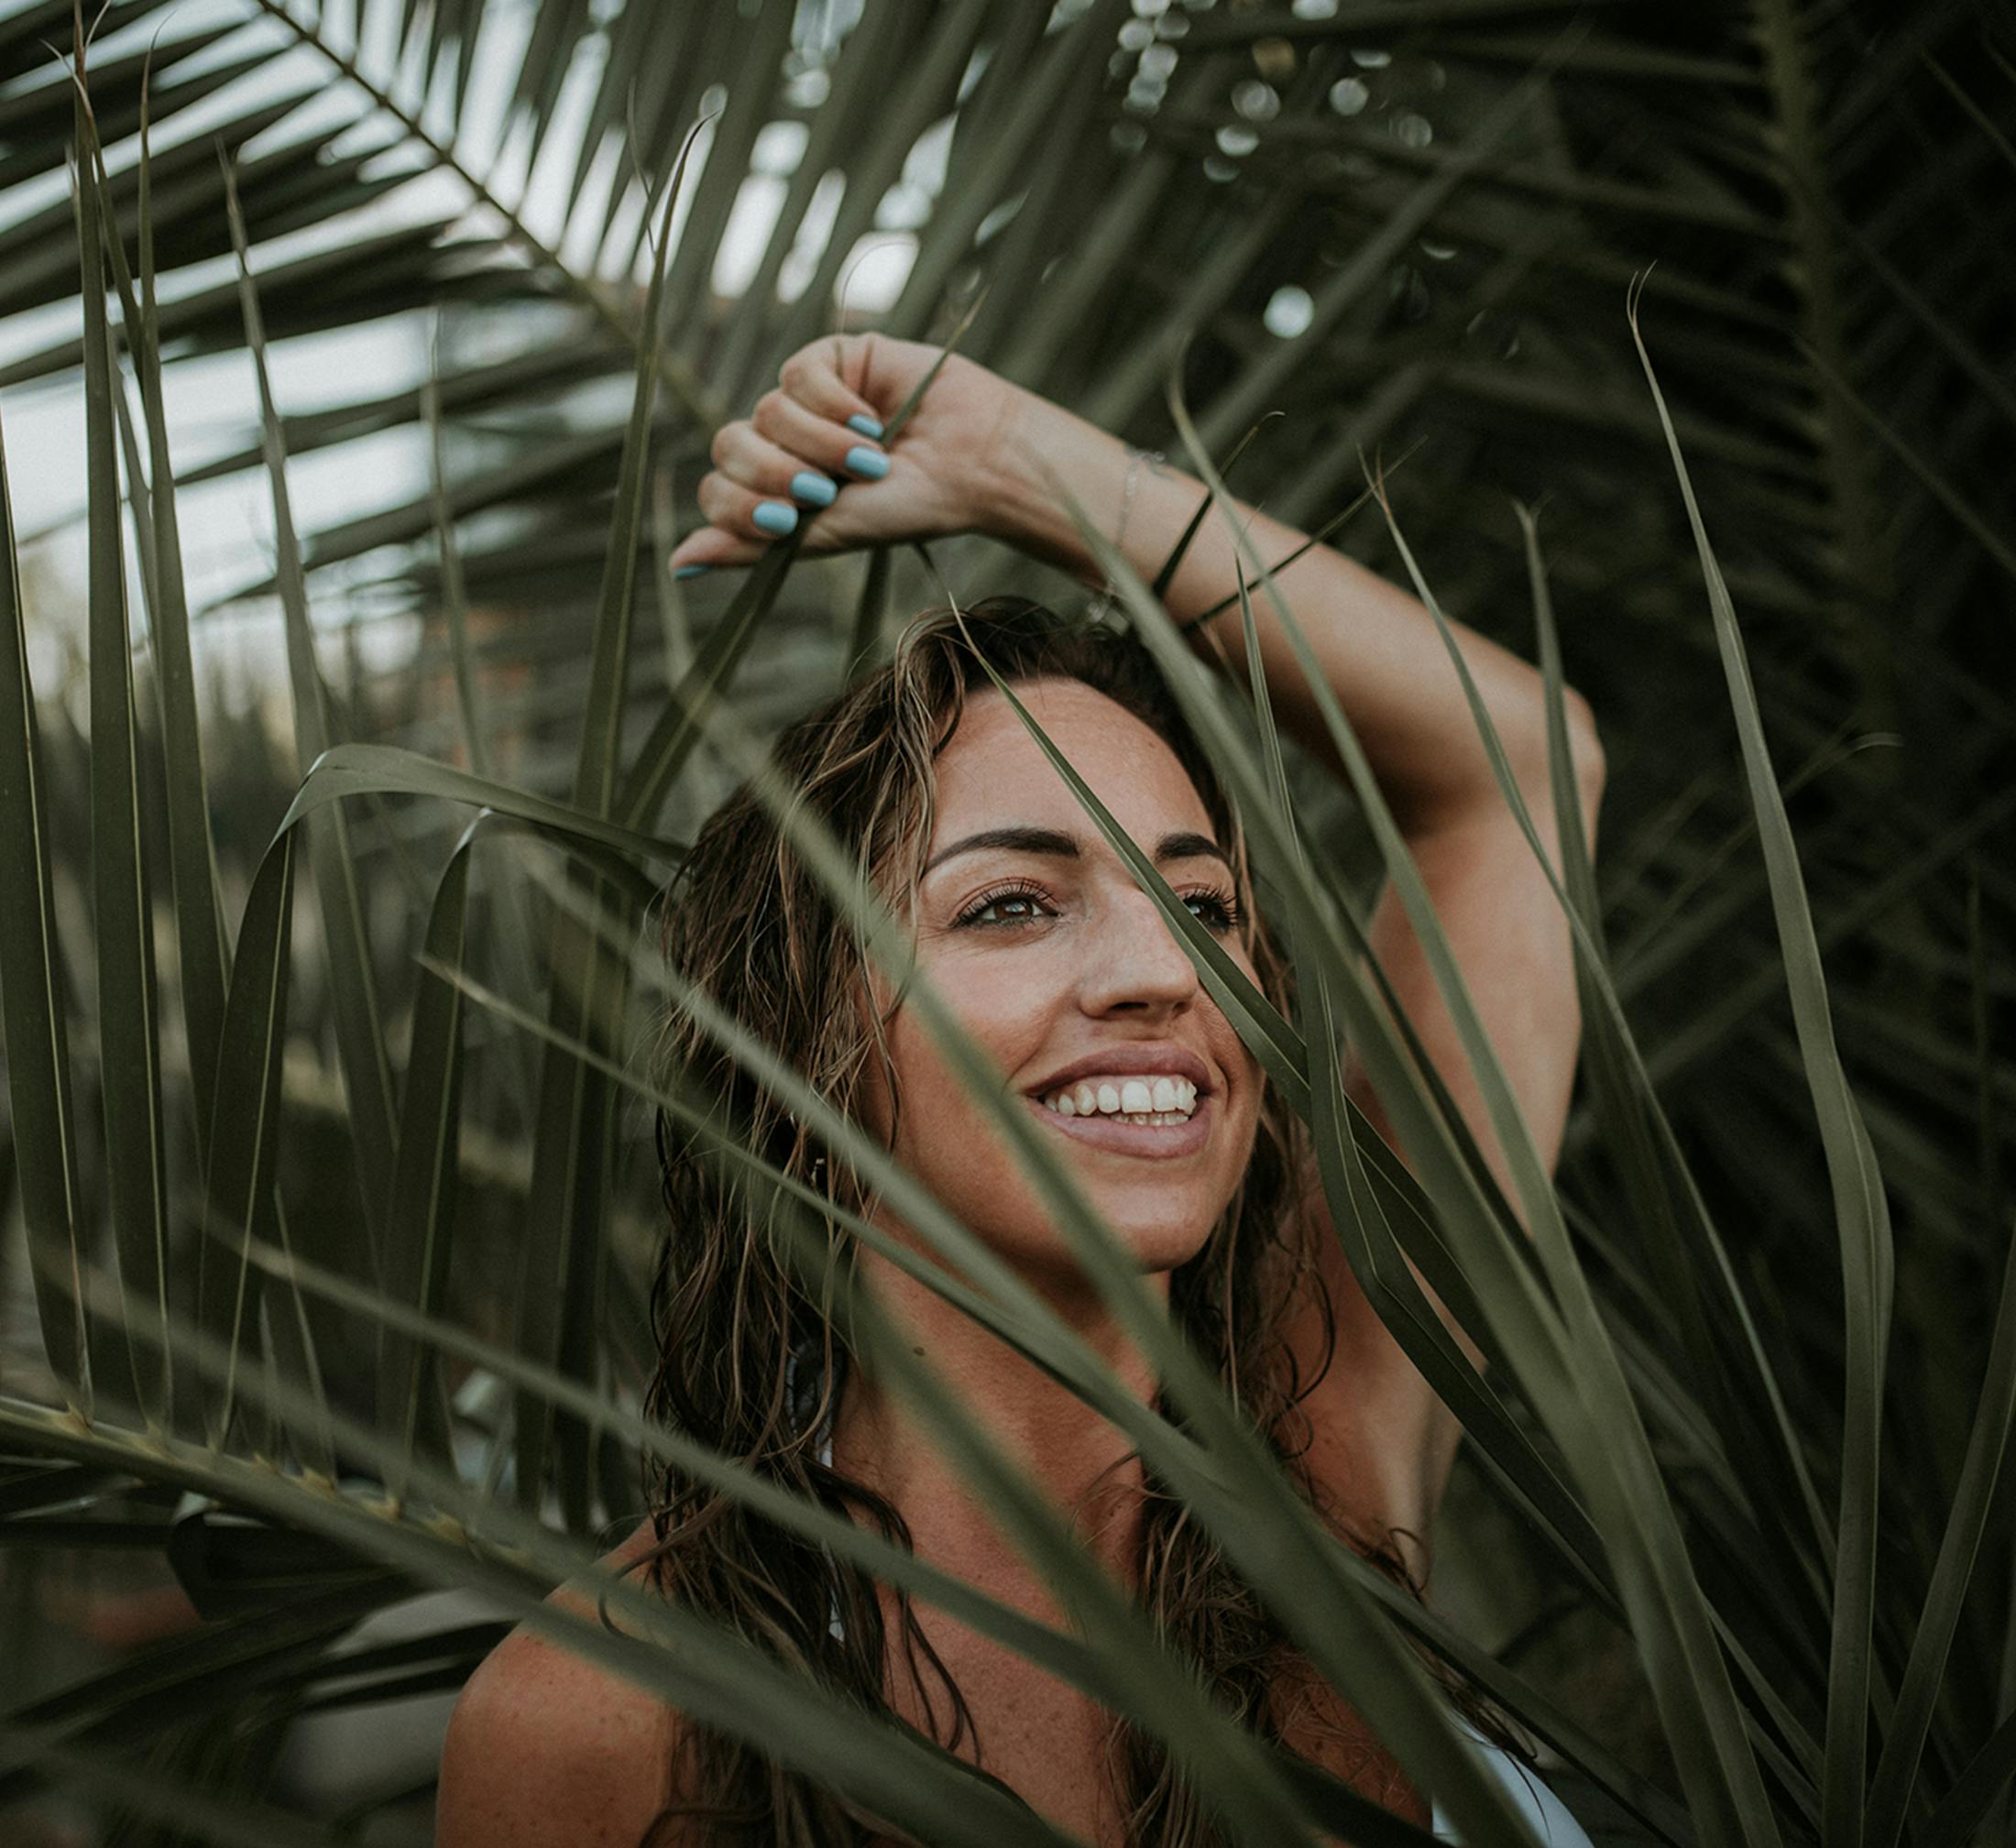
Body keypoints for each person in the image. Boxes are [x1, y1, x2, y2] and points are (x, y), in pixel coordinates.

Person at [437, 335, 1606, 1847]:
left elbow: (1521, 765)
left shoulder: (1329, 1466)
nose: (1164, 974)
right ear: (807, 1042)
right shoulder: (607, 1720)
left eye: (1204, 907)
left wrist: (1027, 469)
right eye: (1009, 905)